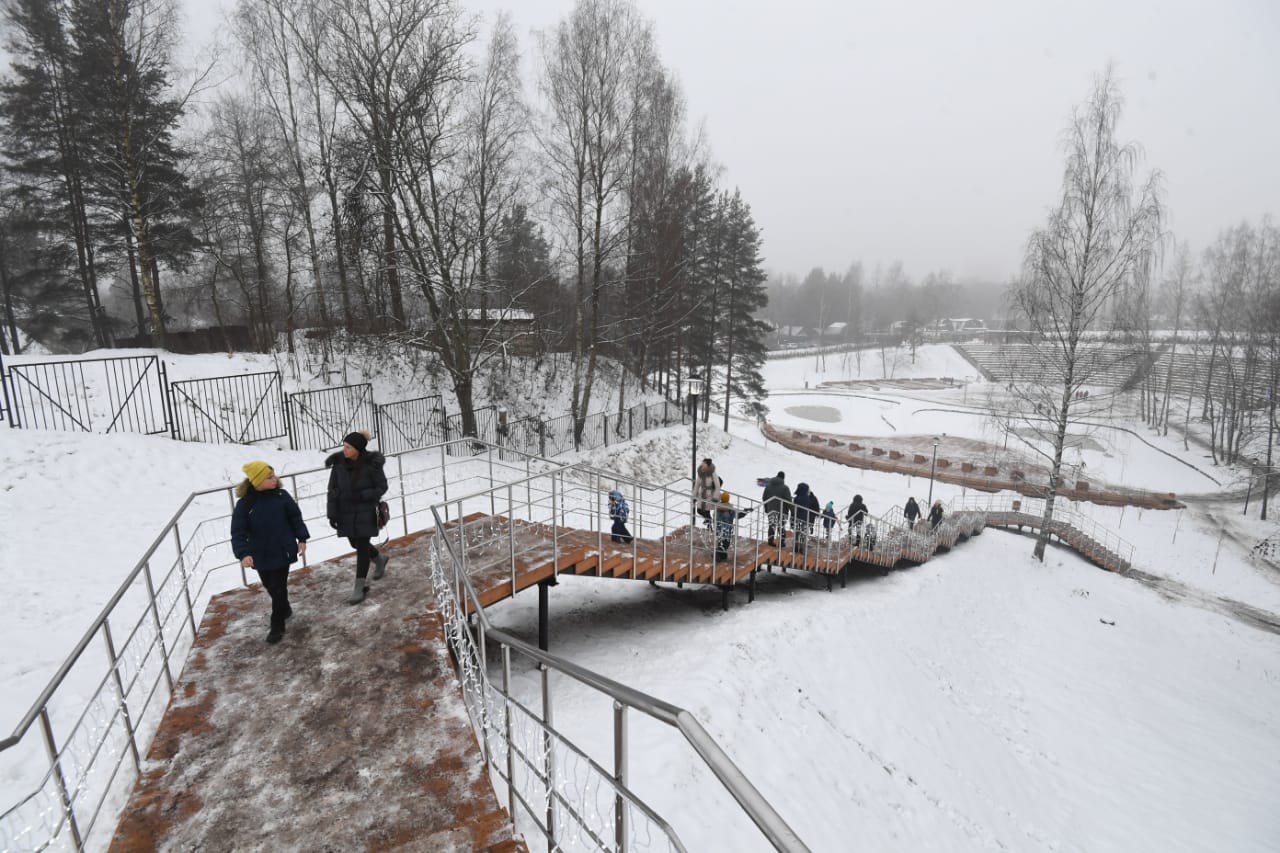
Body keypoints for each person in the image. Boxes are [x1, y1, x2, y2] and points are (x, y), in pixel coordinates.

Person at [230, 461, 310, 644]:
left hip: (282, 550)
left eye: (273, 476)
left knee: (279, 587)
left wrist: (302, 539)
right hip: (260, 554)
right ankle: (285, 607)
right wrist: (243, 553)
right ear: (257, 481)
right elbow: (238, 531)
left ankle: (277, 624)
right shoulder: (245, 504)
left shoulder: (282, 496)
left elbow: (295, 518)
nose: (275, 479)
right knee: (270, 586)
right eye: (269, 477)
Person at [326, 431, 389, 604]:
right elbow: (332, 490)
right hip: (345, 511)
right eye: (344, 446)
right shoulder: (338, 464)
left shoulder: (372, 464)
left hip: (366, 510)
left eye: (348, 447)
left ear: (358, 449)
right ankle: (379, 559)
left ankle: (359, 587)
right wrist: (332, 513)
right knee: (354, 542)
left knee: (361, 546)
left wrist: (363, 495)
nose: (343, 450)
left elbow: (381, 487)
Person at [713, 490, 752, 561]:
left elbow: (714, 518)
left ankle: (722, 556)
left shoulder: (717, 508)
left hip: (718, 529)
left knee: (721, 543)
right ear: (728, 499)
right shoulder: (729, 509)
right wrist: (745, 511)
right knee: (726, 544)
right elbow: (738, 515)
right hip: (727, 530)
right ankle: (717, 554)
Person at [761, 470, 793, 547]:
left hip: (771, 509)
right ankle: (782, 542)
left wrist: (766, 508)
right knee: (781, 526)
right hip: (782, 511)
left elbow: (764, 498)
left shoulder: (768, 486)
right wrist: (792, 510)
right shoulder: (785, 488)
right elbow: (788, 500)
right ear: (783, 478)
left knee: (772, 525)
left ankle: (770, 541)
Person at [694, 458, 722, 526]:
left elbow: (717, 486)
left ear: (708, 465)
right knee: (699, 510)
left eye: (704, 464)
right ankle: (709, 522)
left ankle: (709, 525)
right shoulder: (700, 473)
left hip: (710, 495)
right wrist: (694, 496)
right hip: (702, 495)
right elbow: (697, 485)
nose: (702, 465)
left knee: (706, 511)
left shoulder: (713, 473)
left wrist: (715, 497)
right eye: (702, 463)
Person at [792, 482, 820, 552]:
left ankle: (795, 547)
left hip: (797, 518)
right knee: (803, 534)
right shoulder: (808, 498)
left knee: (797, 533)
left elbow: (793, 509)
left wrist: (791, 519)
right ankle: (801, 549)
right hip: (805, 519)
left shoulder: (796, 498)